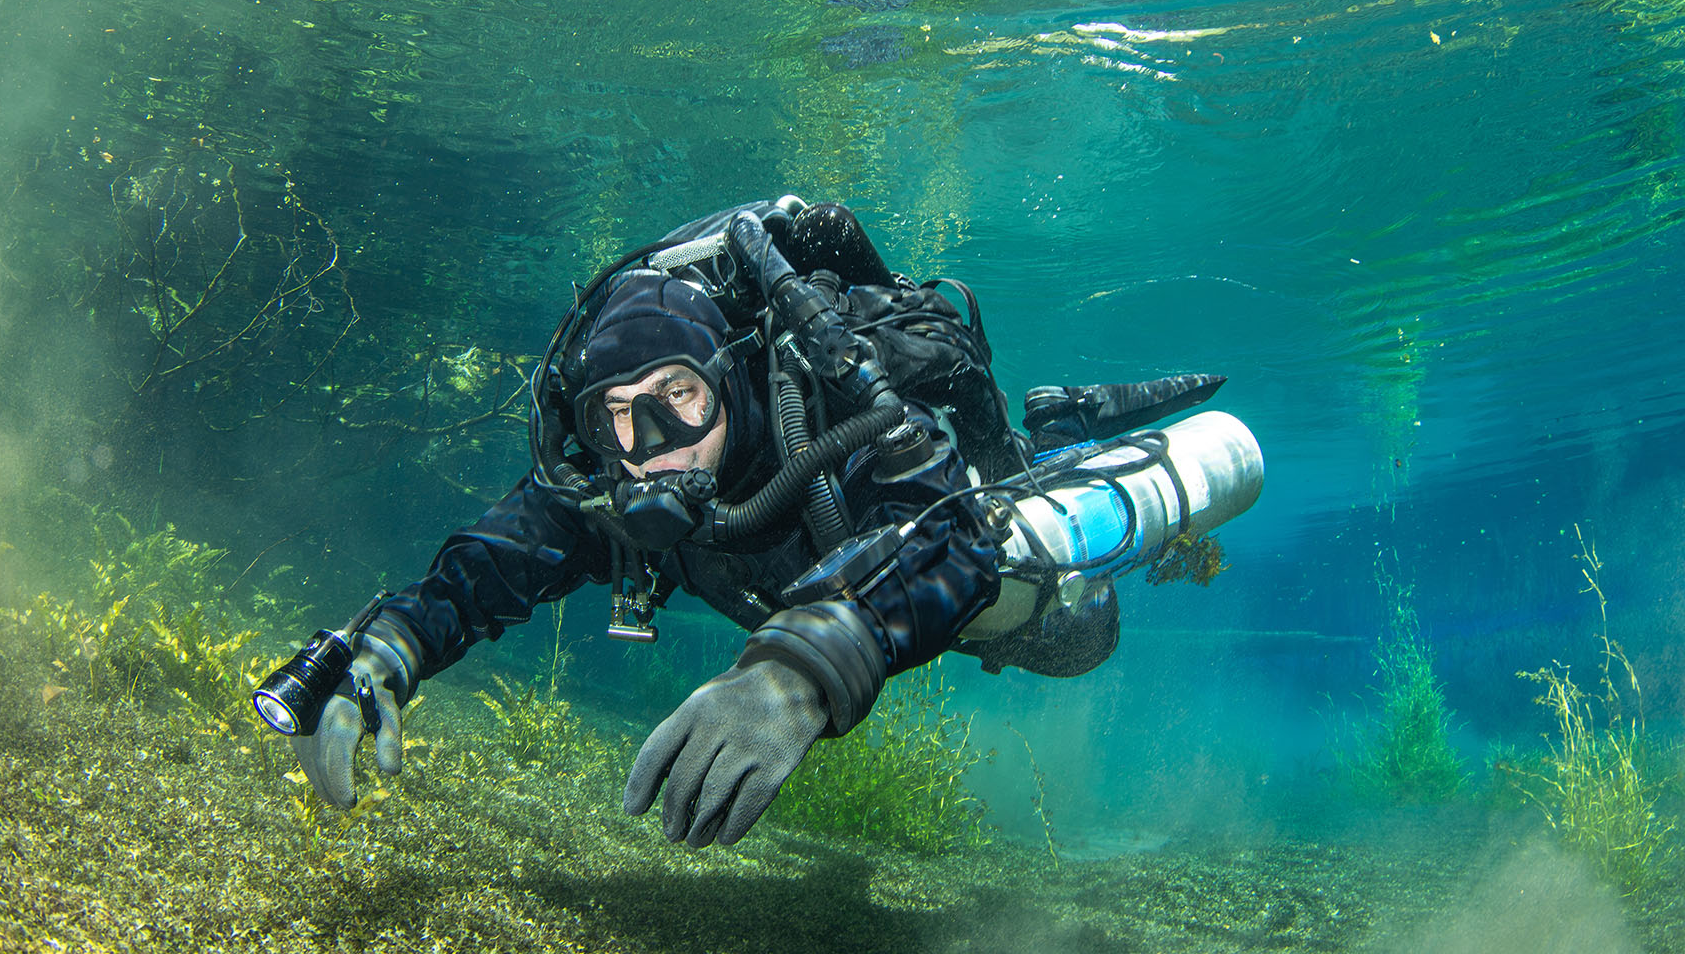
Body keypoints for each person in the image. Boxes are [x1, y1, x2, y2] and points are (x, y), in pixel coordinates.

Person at [260, 197, 1241, 849]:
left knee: (1076, 641)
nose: (655, 445)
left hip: (981, 581)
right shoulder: (619, 486)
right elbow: (494, 563)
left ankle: (1060, 445)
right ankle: (1051, 439)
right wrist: (389, 647)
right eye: (620, 415)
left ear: (729, 382)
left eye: (678, 397)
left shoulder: (831, 423)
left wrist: (801, 670)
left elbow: (956, 541)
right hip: (843, 592)